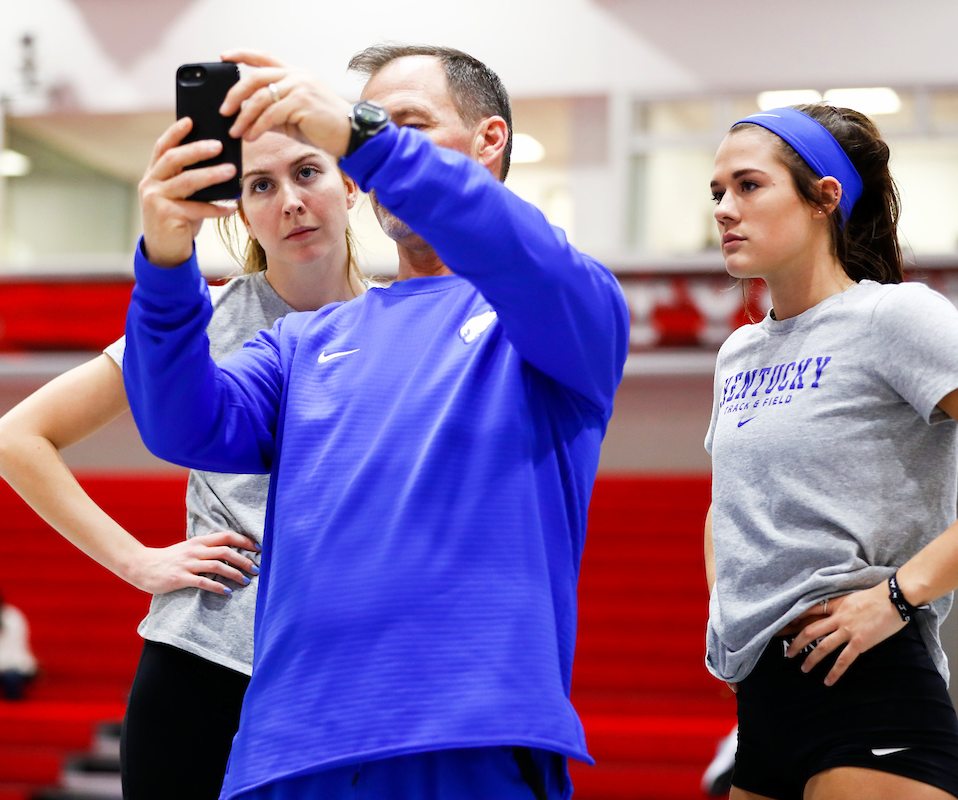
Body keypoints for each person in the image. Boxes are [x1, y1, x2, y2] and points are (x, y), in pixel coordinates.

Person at [120, 44, 629, 800]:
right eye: (363, 127)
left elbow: (516, 248)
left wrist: (363, 137)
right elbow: (179, 426)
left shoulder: (560, 306)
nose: (371, 147)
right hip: (285, 756)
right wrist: (165, 262)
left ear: (489, 141)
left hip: (466, 743)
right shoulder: (304, 339)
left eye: (404, 127)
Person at [0, 127, 366, 798]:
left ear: (351, 185)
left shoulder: (402, 324)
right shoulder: (199, 318)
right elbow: (15, 439)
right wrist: (137, 561)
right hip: (203, 665)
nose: (290, 201)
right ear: (240, 211)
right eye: (261, 186)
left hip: (345, 672)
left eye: (308, 172)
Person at [703, 104, 958, 800]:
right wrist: (729, 611)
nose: (724, 209)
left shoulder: (894, 317)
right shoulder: (739, 352)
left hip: (870, 693)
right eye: (717, 192)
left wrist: (899, 594)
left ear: (825, 197)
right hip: (764, 705)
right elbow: (724, 506)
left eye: (748, 185)